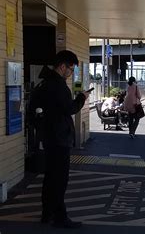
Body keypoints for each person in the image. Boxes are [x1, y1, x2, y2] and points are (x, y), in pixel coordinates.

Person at [38, 50, 90, 228]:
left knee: (50, 177)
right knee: (59, 180)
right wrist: (82, 98)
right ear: (62, 66)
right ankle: (60, 217)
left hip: (50, 137)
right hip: (59, 139)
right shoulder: (58, 86)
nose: (70, 73)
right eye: (70, 69)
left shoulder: (44, 83)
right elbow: (69, 109)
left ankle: (47, 214)